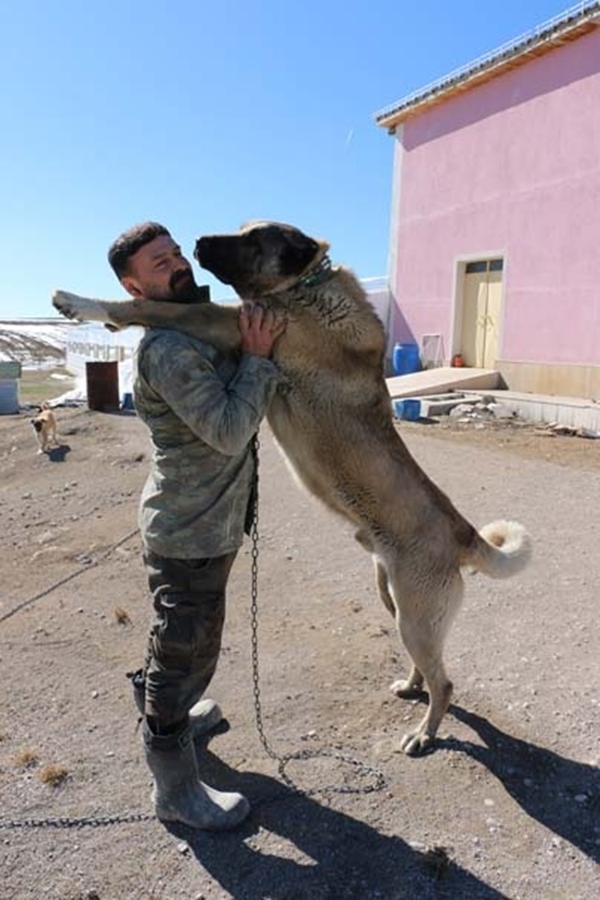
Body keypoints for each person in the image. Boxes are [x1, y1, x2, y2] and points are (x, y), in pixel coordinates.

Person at [107, 221, 285, 830]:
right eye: (160, 264)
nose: (179, 265)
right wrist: (258, 361)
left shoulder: (195, 328)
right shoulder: (168, 348)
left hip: (206, 525)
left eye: (177, 254)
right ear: (135, 289)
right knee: (187, 649)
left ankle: (173, 706)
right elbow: (231, 429)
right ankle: (176, 789)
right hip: (189, 533)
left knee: (178, 635)